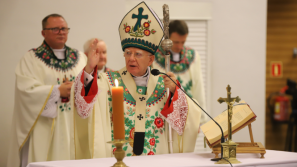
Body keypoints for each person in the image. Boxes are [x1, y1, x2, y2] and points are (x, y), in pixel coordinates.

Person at [71, 1, 201, 158]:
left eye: (137, 54)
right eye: (128, 53)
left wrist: (175, 92)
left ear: (151, 59)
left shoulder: (164, 84)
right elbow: (83, 107)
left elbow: (183, 124)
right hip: (119, 159)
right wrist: (89, 69)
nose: (131, 59)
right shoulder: (109, 81)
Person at [7, 14, 87, 167]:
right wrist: (57, 91)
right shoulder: (31, 59)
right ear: (43, 33)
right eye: (55, 29)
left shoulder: (80, 58)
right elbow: (26, 91)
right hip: (45, 127)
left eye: (64, 29)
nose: (61, 32)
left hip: (73, 126)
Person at [153, 20, 207, 126]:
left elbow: (198, 87)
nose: (180, 46)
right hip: (161, 116)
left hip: (187, 115)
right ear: (167, 38)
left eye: (183, 42)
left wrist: (199, 119)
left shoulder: (193, 56)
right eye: (176, 42)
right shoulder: (153, 56)